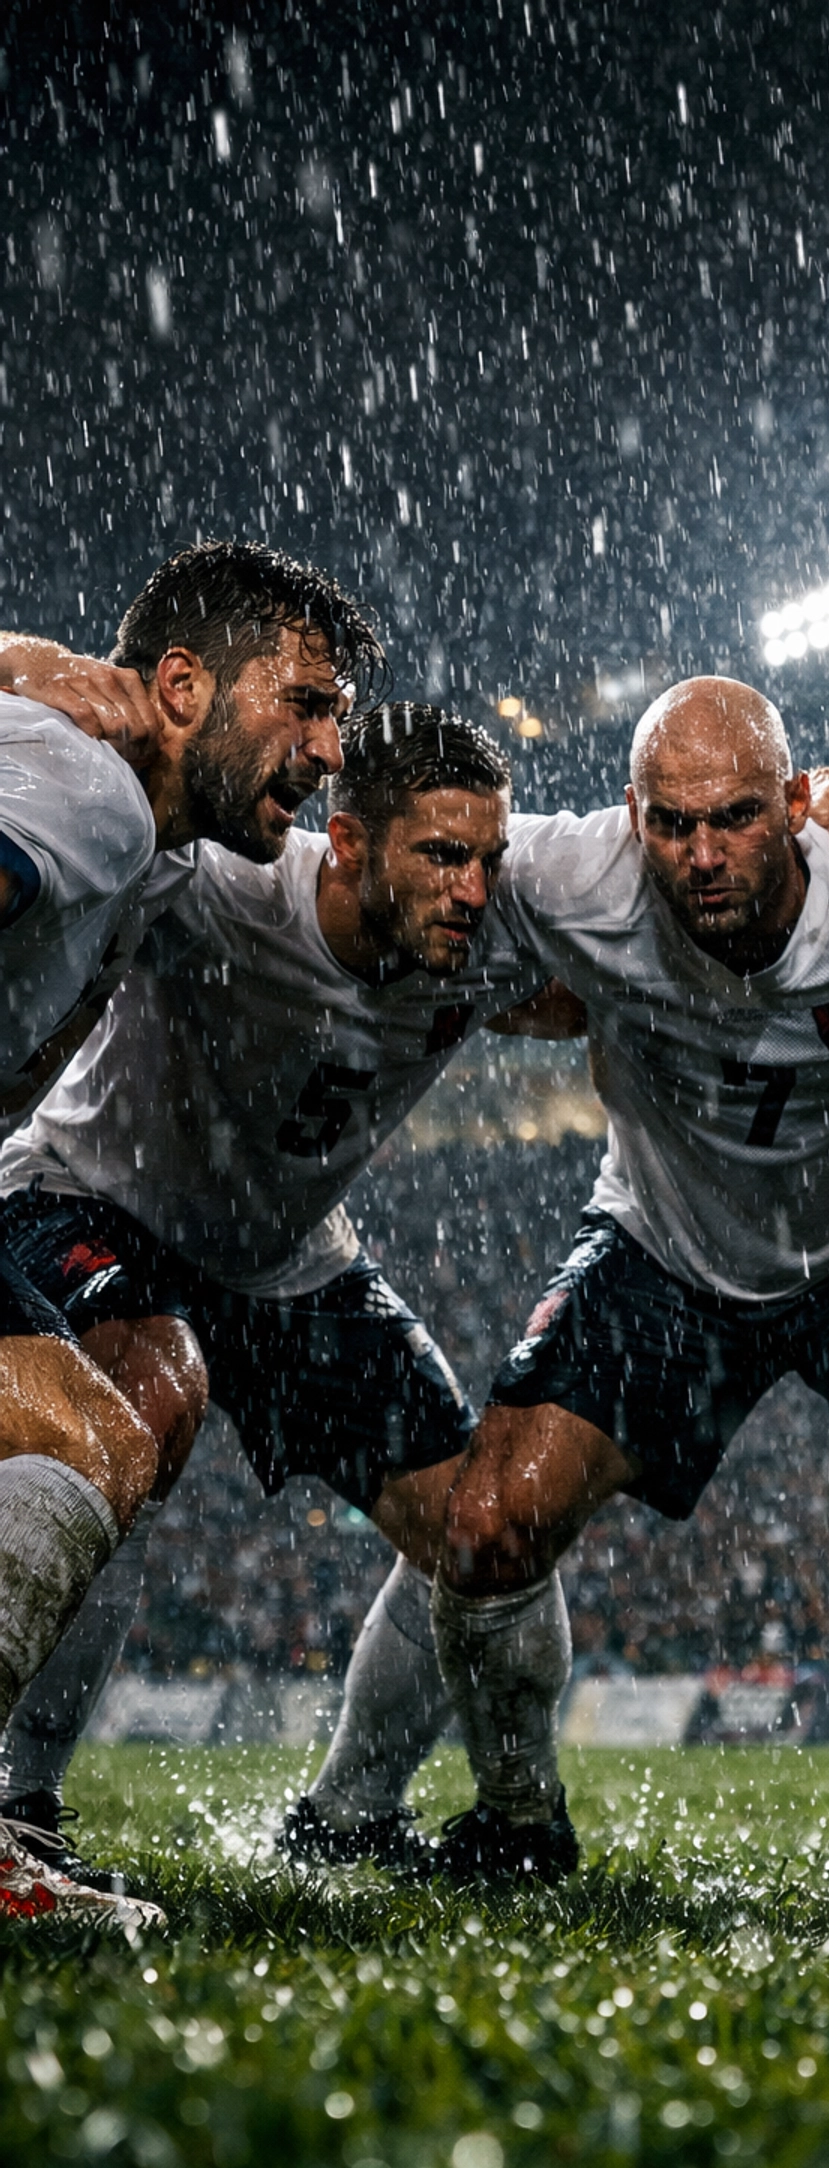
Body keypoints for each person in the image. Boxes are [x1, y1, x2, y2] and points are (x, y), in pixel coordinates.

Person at [420, 673, 829, 1911]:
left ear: (796, 803)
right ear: (633, 818)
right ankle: (516, 1819)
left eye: (735, 818)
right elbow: (409, 891)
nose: (702, 855)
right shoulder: (575, 879)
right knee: (485, 1522)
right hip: (669, 1246)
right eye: (671, 826)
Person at [0, 702, 563, 1886]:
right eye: (442, 856)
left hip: (287, 1261)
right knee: (132, 1417)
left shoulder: (497, 938)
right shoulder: (222, 889)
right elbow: (89, 876)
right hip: (94, 1201)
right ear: (350, 842)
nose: (474, 889)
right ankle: (24, 1803)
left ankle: (363, 1812)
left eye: (490, 860)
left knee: (485, 1527)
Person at [0, 540, 381, 1924]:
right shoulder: (92, 800)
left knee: (104, 1429)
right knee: (89, 1433)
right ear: (177, 687)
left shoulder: (150, 848)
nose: (330, 748)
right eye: (305, 704)